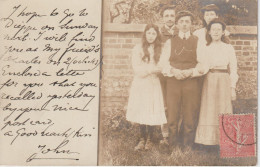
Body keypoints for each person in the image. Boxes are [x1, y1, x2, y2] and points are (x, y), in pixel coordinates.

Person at [159, 11, 204, 150]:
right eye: (182, 21)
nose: (184, 24)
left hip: (191, 81)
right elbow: (162, 63)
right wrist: (173, 71)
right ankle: (173, 145)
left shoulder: (198, 41)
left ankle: (187, 145)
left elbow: (203, 63)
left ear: (191, 24)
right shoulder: (170, 42)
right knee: (172, 113)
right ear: (177, 24)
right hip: (174, 81)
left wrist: (192, 71)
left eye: (187, 22)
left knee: (190, 113)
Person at [195, 18, 238, 146]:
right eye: (213, 29)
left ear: (223, 32)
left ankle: (225, 141)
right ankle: (207, 141)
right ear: (209, 32)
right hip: (209, 79)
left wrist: (232, 88)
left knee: (223, 108)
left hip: (224, 79)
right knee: (209, 109)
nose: (216, 32)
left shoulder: (229, 47)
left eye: (219, 29)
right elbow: (201, 65)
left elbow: (234, 68)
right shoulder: (205, 47)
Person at [126, 24, 167, 151]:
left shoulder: (160, 49)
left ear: (157, 35)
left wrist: (153, 70)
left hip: (154, 84)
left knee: (152, 109)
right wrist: (151, 70)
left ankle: (150, 139)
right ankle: (142, 138)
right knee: (141, 109)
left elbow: (162, 67)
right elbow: (137, 69)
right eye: (149, 33)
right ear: (145, 34)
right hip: (141, 84)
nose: (151, 36)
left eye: (153, 33)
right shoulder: (138, 48)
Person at [159, 4, 178, 147]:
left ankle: (177, 134)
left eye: (172, 15)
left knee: (178, 105)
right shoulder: (158, 34)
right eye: (167, 15)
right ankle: (165, 136)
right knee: (164, 105)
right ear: (162, 18)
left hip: (179, 75)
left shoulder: (181, 32)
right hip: (163, 76)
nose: (170, 18)